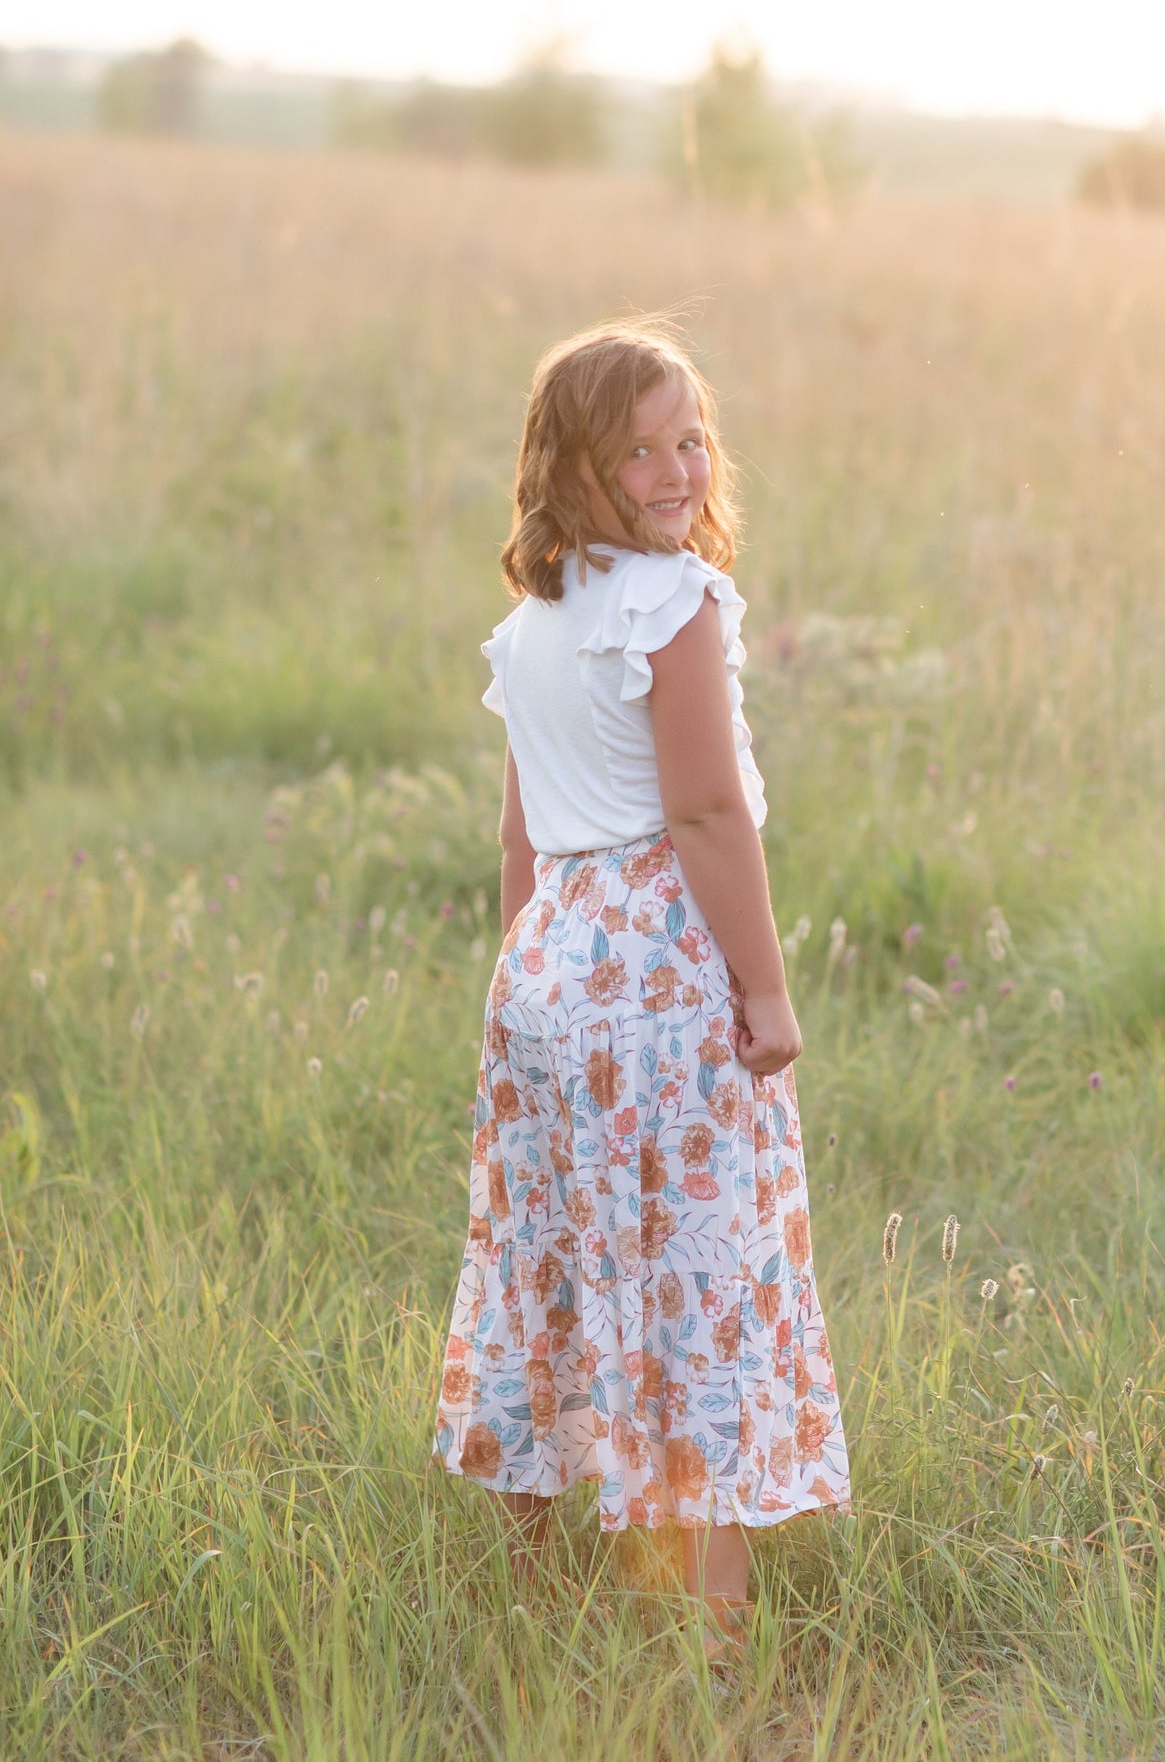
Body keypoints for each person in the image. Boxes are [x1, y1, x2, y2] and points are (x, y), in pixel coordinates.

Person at [433, 319, 848, 1650]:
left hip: (549, 960)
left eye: (692, 439)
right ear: (576, 467)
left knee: (552, 1258)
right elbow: (710, 816)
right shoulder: (670, 607)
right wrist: (768, 996)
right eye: (641, 450)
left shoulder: (531, 621)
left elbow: (517, 839)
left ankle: (532, 1567)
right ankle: (713, 1629)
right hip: (658, 965)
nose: (677, 469)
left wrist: (524, 990)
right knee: (695, 1273)